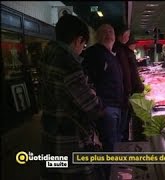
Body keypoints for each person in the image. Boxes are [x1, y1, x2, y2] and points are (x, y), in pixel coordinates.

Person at [39, 14, 106, 180]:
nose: (82, 49)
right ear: (78, 40)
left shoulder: (47, 54)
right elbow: (93, 108)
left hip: (52, 131)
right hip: (71, 139)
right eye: (83, 45)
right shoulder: (68, 63)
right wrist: (96, 97)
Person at [81, 23, 124, 179]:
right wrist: (101, 106)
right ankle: (108, 175)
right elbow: (87, 82)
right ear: (97, 36)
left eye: (111, 31)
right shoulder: (94, 53)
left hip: (116, 107)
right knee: (108, 146)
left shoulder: (111, 54)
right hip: (106, 108)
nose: (108, 33)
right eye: (104, 31)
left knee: (113, 144)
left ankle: (111, 173)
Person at [112, 24, 135, 142]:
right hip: (122, 96)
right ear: (122, 36)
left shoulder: (113, 50)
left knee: (119, 128)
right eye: (127, 35)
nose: (128, 38)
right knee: (121, 128)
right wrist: (135, 89)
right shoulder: (123, 51)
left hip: (116, 97)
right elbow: (128, 74)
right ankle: (122, 148)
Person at [126, 36, 145, 141]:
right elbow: (133, 73)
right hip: (133, 92)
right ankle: (138, 138)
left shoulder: (125, 53)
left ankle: (135, 138)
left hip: (130, 92)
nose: (135, 46)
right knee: (135, 115)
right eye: (134, 44)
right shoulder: (128, 54)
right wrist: (140, 87)